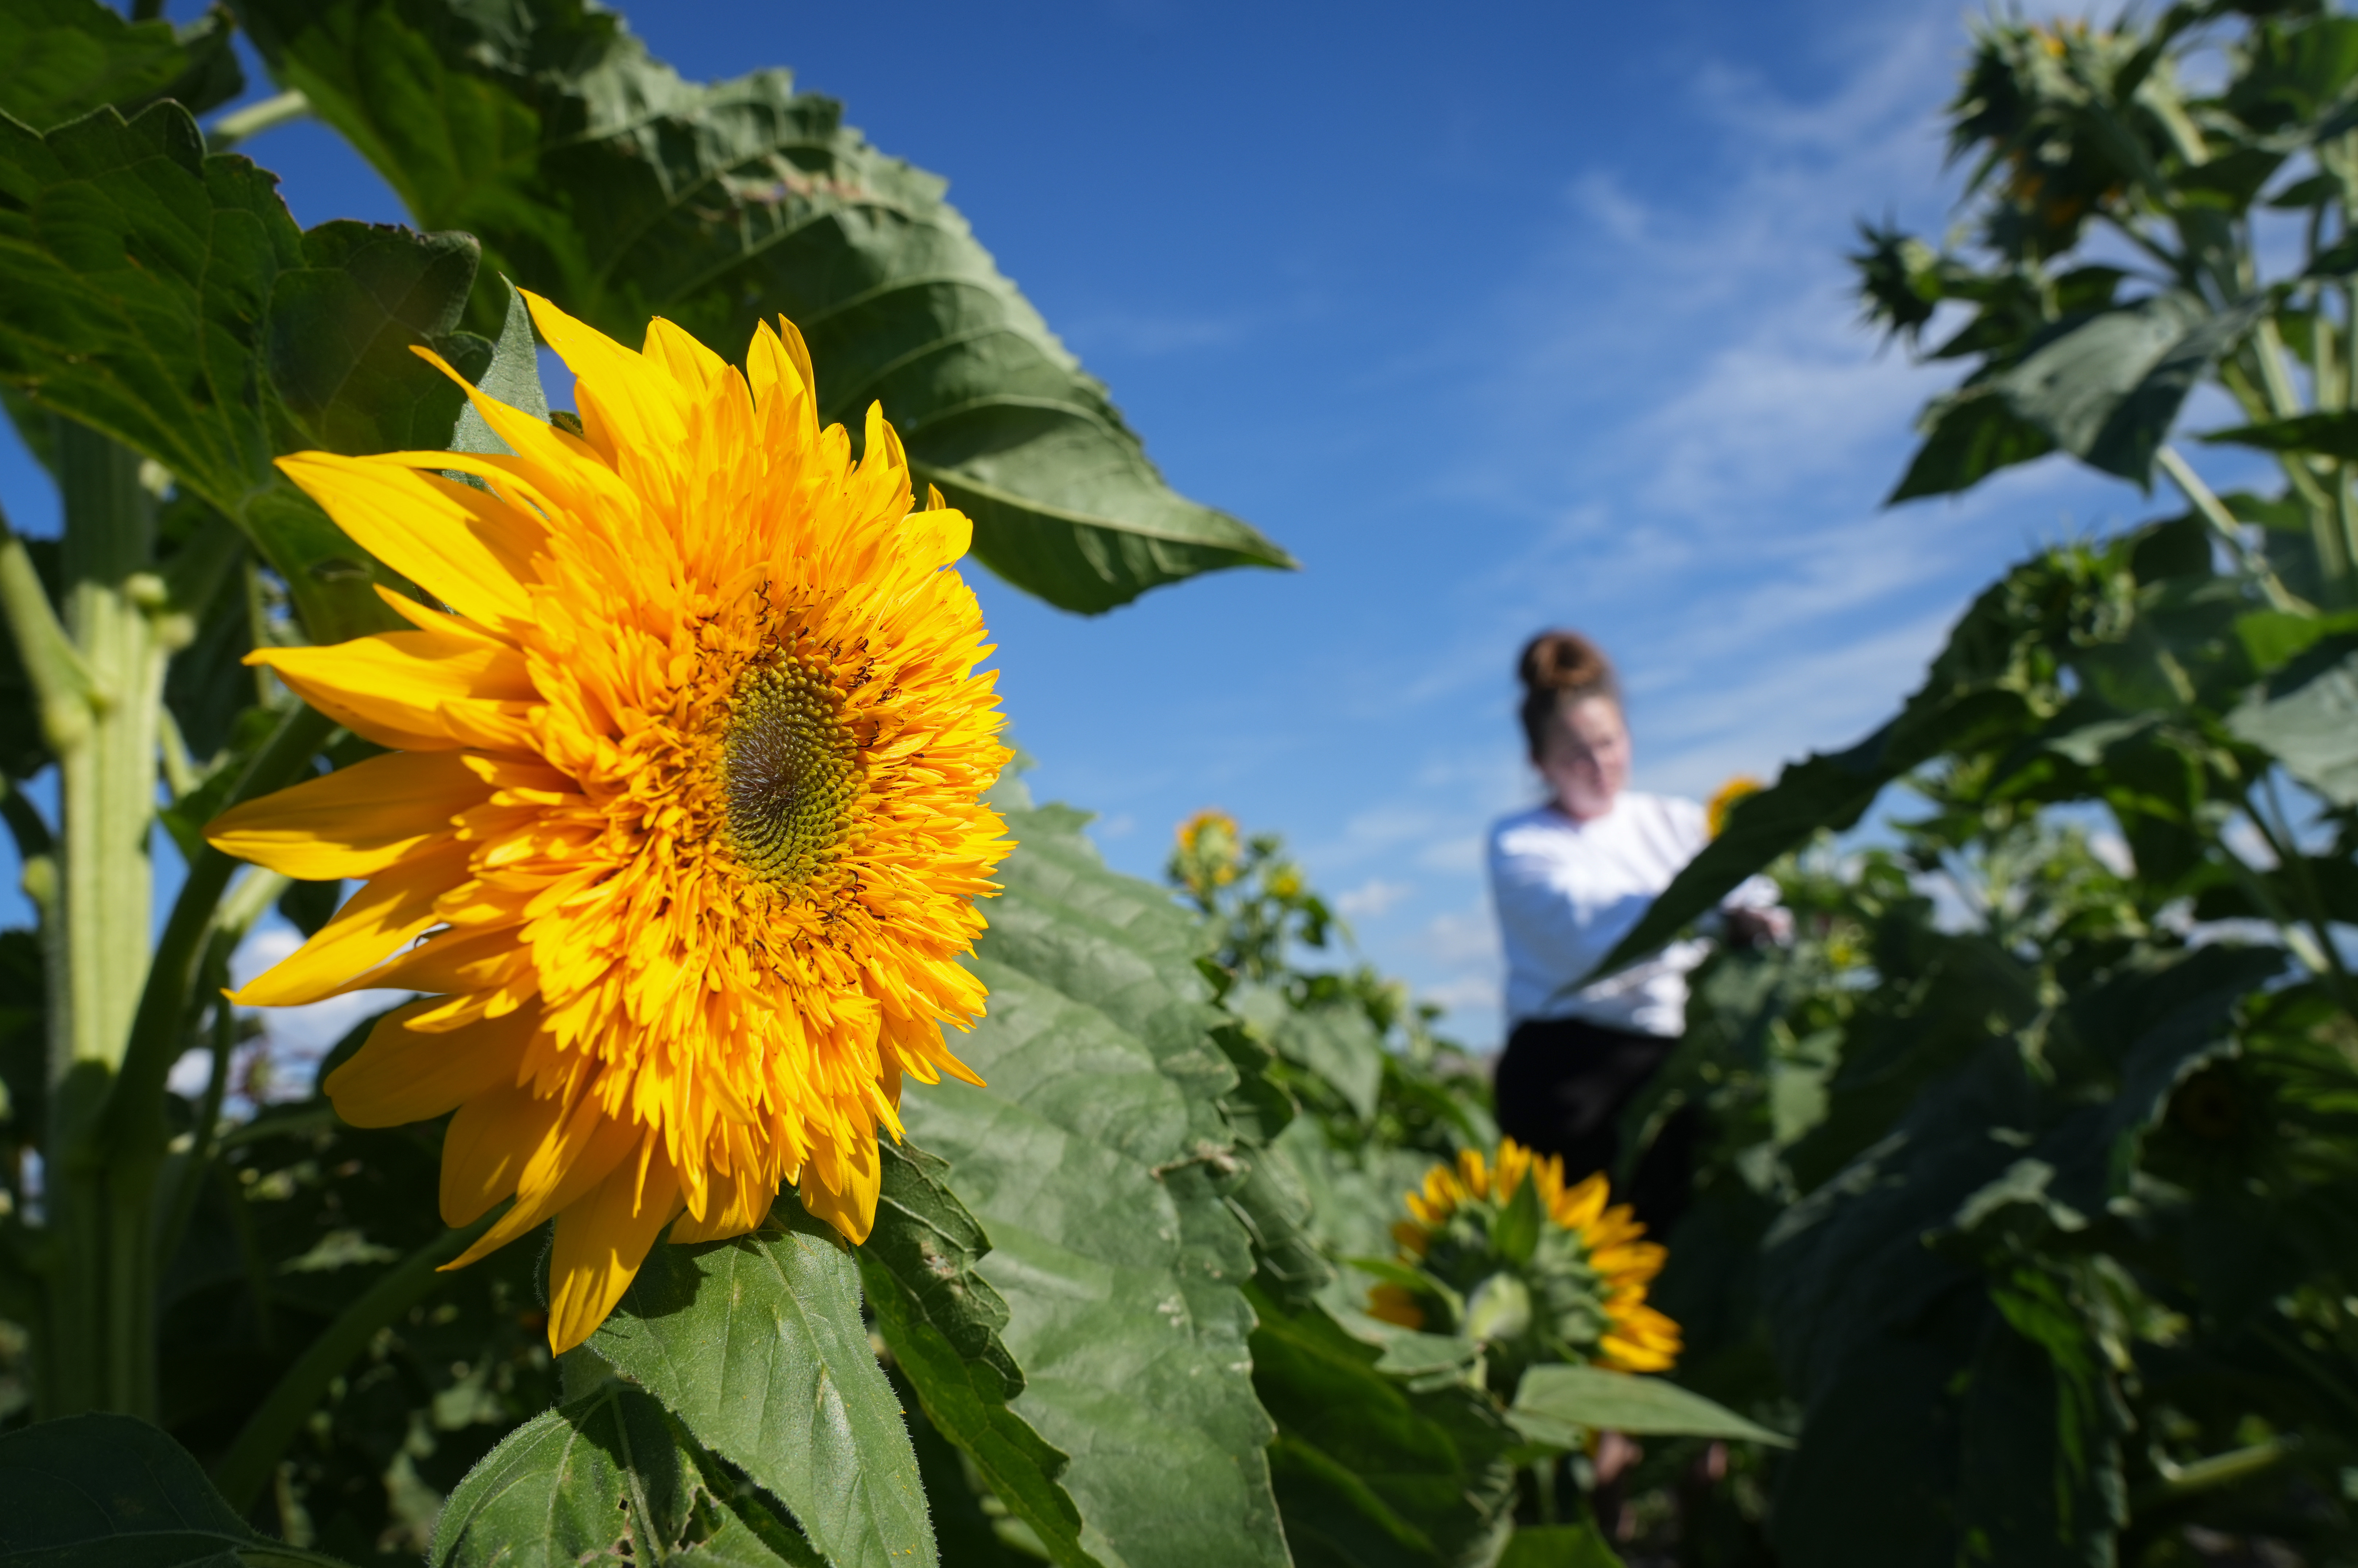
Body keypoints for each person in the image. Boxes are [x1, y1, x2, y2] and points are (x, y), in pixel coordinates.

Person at [1487, 630, 1784, 1236]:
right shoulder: (1521, 842)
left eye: (1609, 742)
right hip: (1569, 1073)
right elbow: (1584, 926)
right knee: (1580, 1256)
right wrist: (1711, 914)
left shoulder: (1675, 821)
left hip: (1676, 1059)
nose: (1599, 765)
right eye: (1575, 753)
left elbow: (1750, 890)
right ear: (1538, 763)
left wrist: (1773, 916)